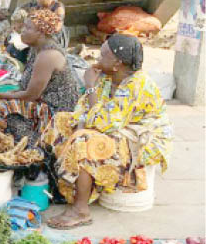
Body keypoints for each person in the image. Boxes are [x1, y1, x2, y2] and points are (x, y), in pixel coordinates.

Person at [43, 35, 172, 229]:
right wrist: (78, 121)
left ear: (117, 64)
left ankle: (81, 210)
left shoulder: (137, 84)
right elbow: (84, 109)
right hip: (115, 128)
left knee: (85, 141)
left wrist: (90, 87)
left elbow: (105, 123)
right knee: (62, 121)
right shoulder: (107, 77)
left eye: (103, 55)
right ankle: (67, 188)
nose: (97, 59)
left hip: (142, 140)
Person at [0, 9, 79, 146]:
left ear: (40, 32)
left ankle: (35, 144)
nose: (22, 30)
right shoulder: (37, 48)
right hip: (43, 101)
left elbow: (30, 95)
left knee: (4, 106)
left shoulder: (48, 55)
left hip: (57, 111)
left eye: (27, 28)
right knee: (5, 102)